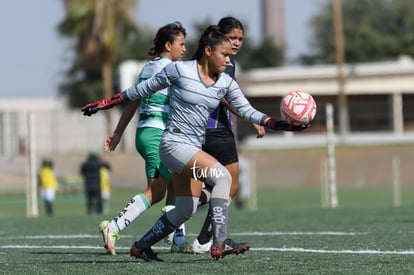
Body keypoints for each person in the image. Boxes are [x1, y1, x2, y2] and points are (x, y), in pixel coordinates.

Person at [82, 25, 308, 262]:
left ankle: (141, 246)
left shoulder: (225, 83)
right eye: (225, 54)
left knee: (185, 209)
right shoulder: (179, 70)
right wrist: (104, 103)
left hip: (191, 150)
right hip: (172, 145)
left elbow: (248, 111)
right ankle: (219, 243)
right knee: (222, 177)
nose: (229, 59)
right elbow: (141, 90)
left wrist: (283, 125)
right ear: (208, 51)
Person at [97, 22, 191, 255]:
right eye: (181, 44)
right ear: (168, 45)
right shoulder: (171, 69)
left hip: (145, 132)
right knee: (156, 191)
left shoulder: (147, 69)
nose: (185, 49)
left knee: (178, 181)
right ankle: (114, 226)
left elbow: (134, 101)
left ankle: (177, 238)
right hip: (158, 135)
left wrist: (119, 133)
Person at [192, 17, 264, 254]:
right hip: (216, 129)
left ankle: (193, 219)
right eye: (232, 37)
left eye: (240, 39)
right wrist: (252, 117)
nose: (236, 43)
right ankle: (202, 236)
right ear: (220, 37)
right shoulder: (226, 63)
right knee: (230, 185)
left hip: (201, 129)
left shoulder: (204, 59)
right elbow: (224, 96)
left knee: (217, 185)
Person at [80, 150, 111, 215]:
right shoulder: (98, 163)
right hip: (97, 184)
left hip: (88, 184)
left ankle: (89, 211)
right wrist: (103, 160)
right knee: (98, 200)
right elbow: (108, 167)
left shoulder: (86, 163)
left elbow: (82, 172)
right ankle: (99, 211)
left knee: (89, 199)